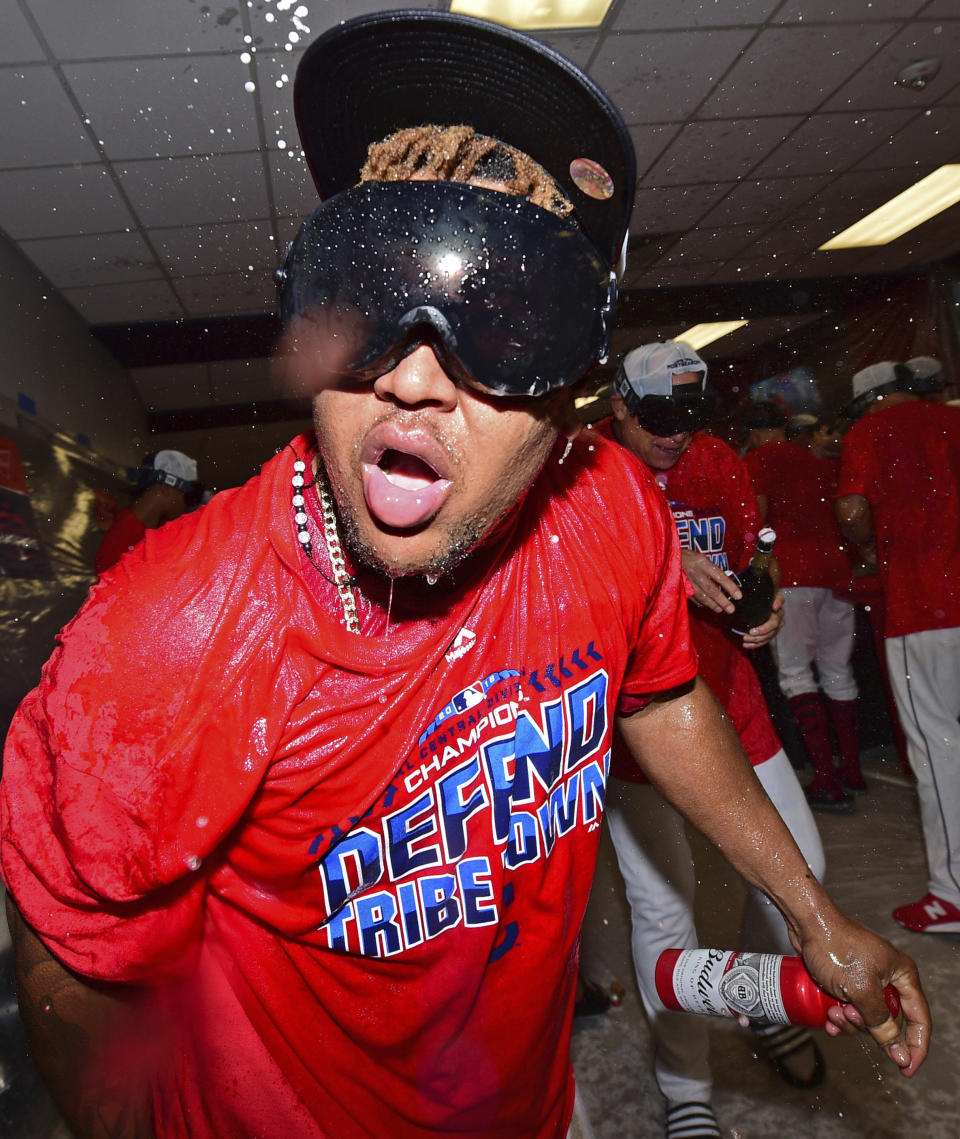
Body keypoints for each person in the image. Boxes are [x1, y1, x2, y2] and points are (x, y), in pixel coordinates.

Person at [0, 13, 928, 1139]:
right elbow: (74, 970)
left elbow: (663, 692)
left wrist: (813, 911)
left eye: (506, 310)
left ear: (577, 374)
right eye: (369, 288)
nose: (415, 376)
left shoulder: (612, 510)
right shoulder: (169, 636)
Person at [836, 357, 960, 935]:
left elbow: (853, 510)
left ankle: (951, 894)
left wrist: (866, 544)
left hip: (923, 603)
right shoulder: (953, 420)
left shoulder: (871, 432)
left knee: (938, 752)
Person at [743, 402, 862, 812]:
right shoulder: (814, 461)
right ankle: (850, 768)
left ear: (757, 434)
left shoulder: (758, 459)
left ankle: (826, 779)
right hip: (835, 572)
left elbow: (755, 520)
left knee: (796, 674)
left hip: (791, 575)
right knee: (838, 671)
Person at [94, 449, 201, 575]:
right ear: (165, 488)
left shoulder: (162, 527)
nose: (189, 505)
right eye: (189, 496)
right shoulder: (119, 546)